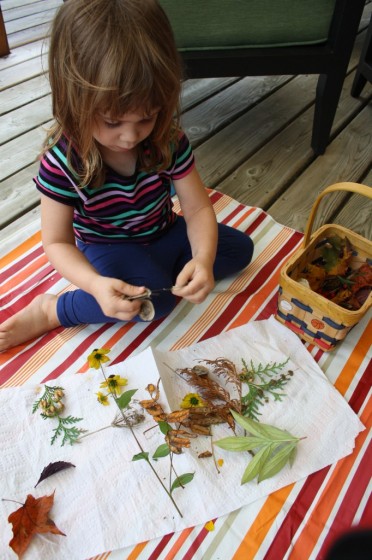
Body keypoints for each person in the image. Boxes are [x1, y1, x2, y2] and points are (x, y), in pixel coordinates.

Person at [0, 0, 253, 352]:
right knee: (153, 304)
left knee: (239, 250)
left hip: (164, 230)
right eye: (112, 122)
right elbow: (57, 243)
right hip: (106, 246)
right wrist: (92, 284)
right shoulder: (63, 161)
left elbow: (196, 210)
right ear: (74, 100)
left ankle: (164, 273)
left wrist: (202, 259)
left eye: (146, 117)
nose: (131, 137)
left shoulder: (167, 138)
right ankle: (53, 310)